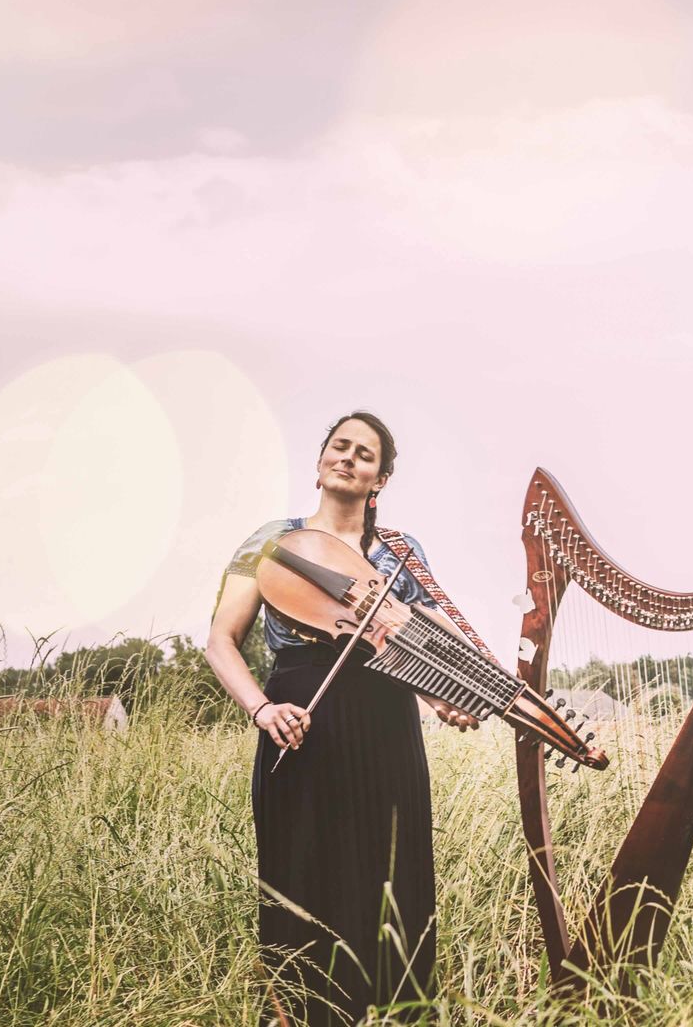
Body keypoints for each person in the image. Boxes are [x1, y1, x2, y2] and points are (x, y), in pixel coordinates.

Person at [205, 411, 481, 1025]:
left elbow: (420, 645)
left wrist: (444, 698)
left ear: (379, 480)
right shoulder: (272, 541)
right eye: (340, 446)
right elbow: (221, 640)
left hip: (387, 724)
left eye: (365, 454)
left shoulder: (400, 552)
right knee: (300, 879)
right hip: (299, 720)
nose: (349, 457)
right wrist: (262, 707)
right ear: (320, 460)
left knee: (391, 879)